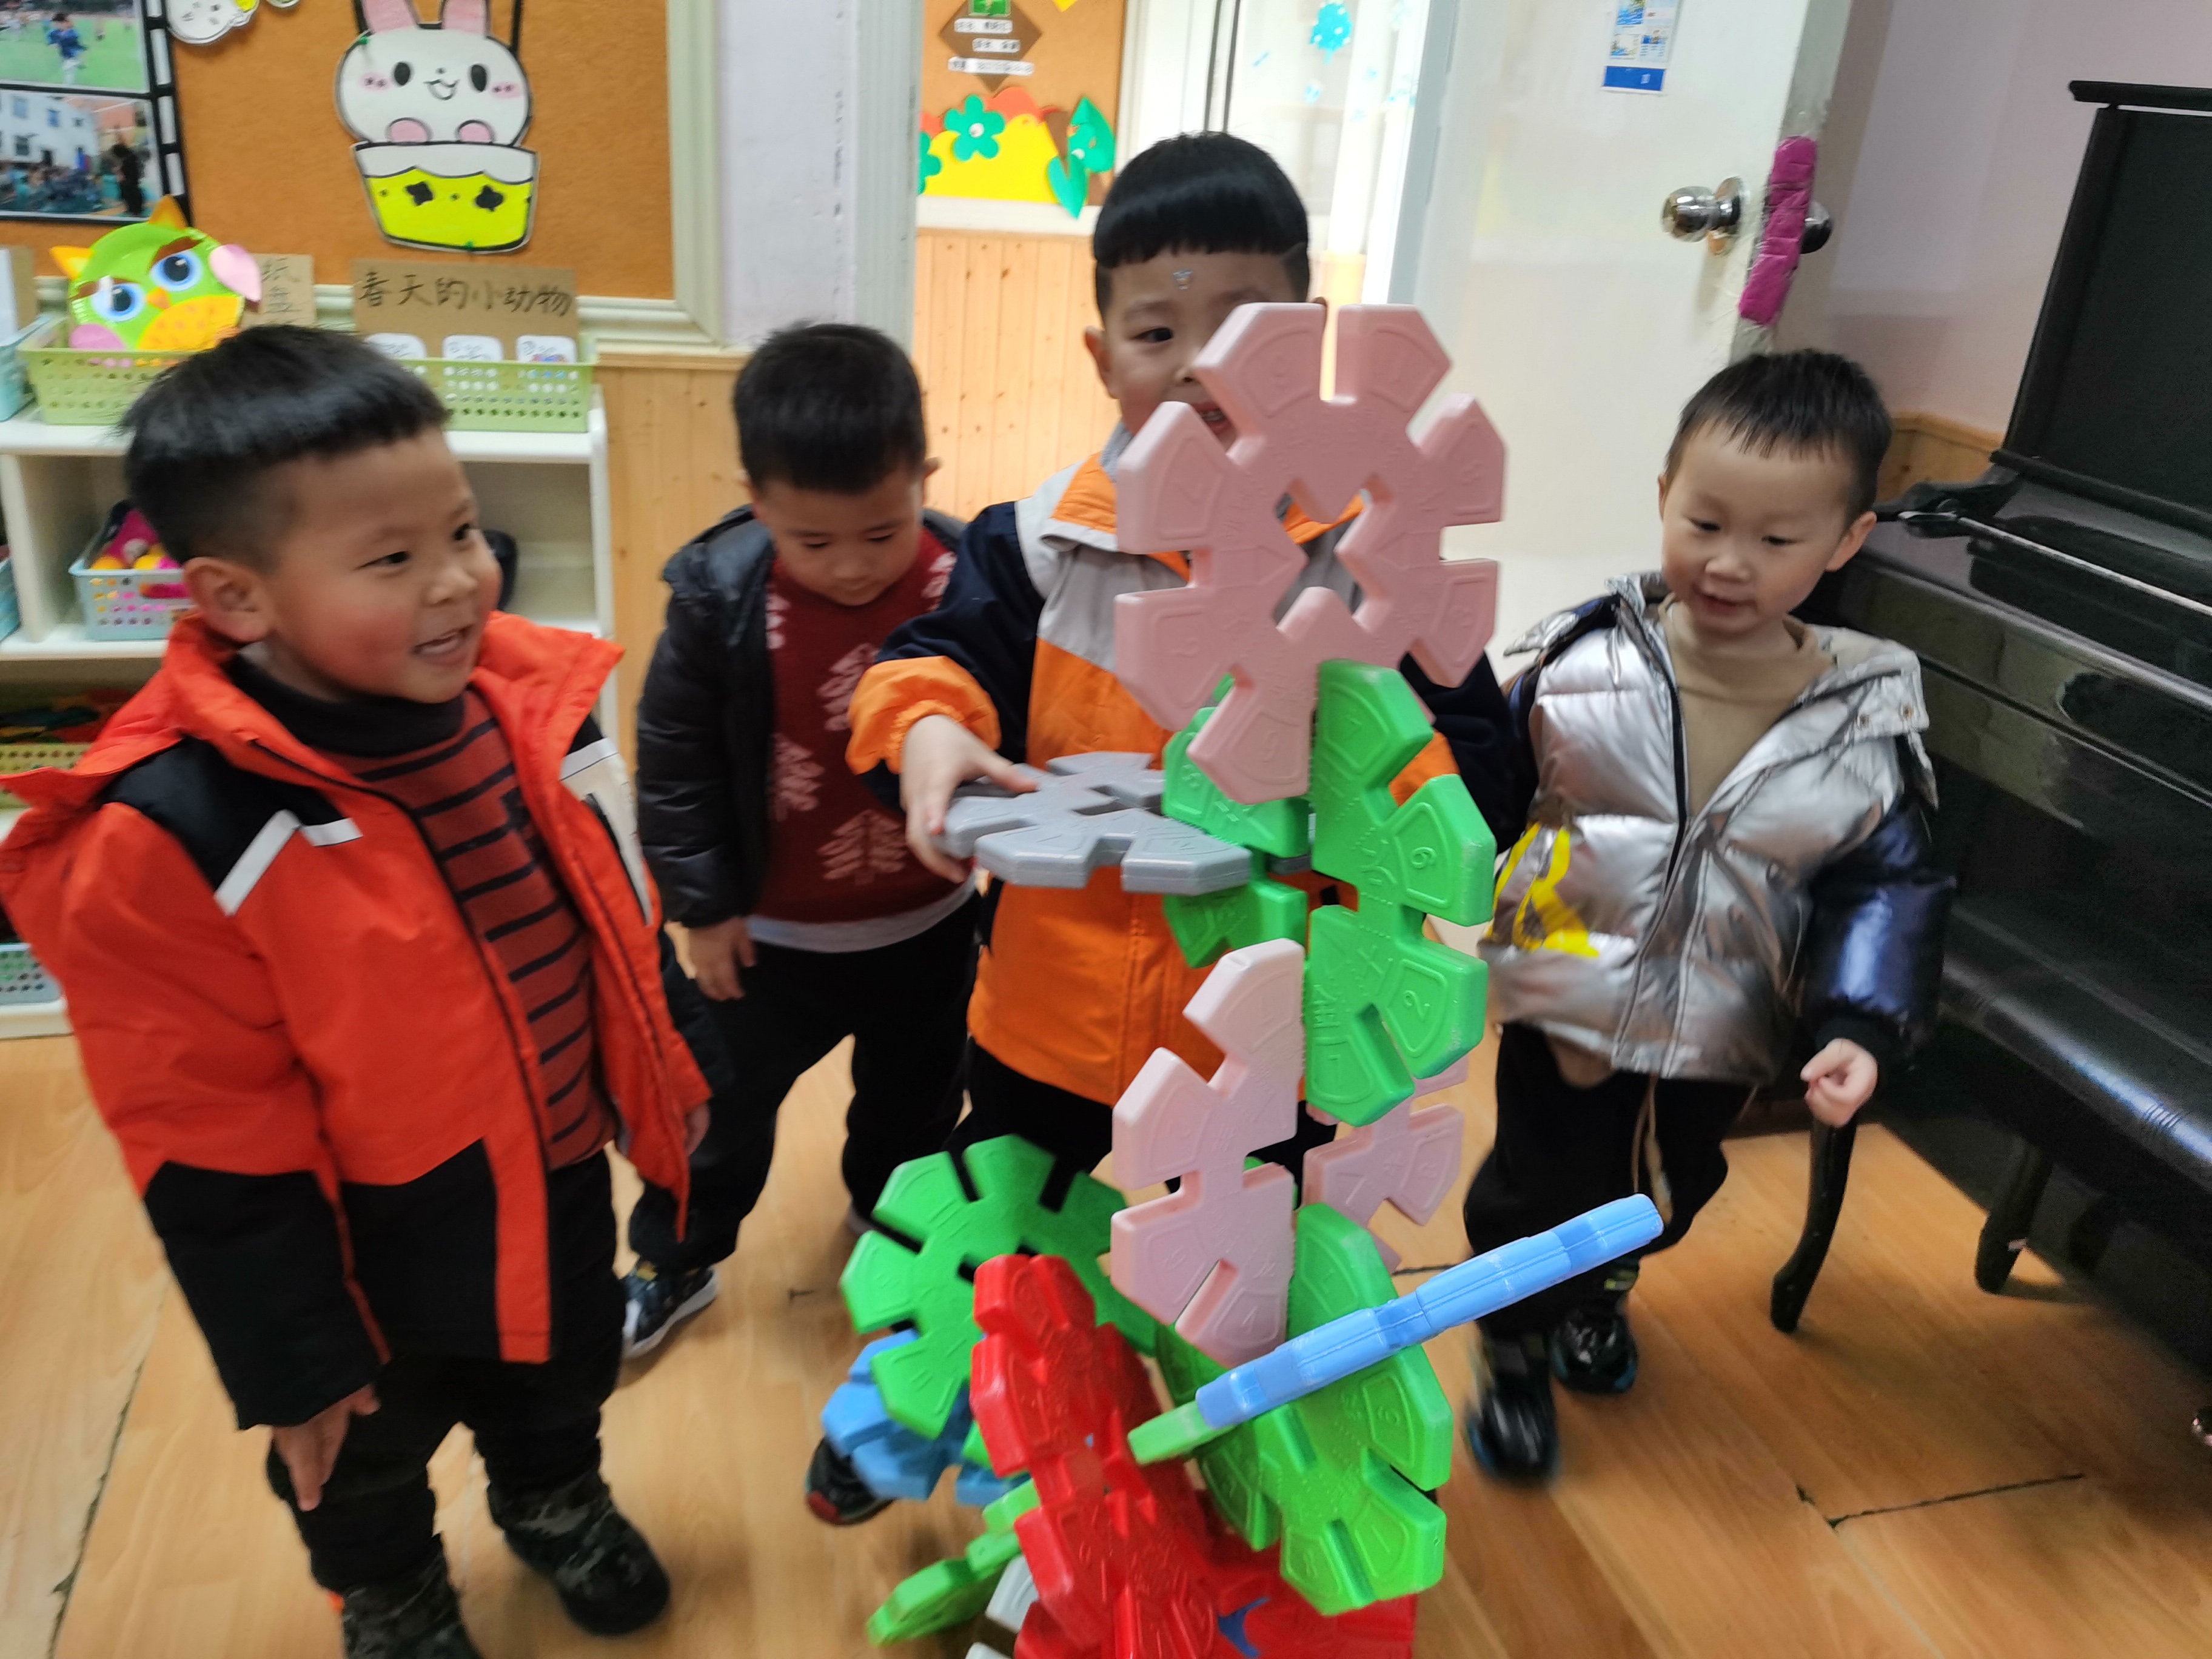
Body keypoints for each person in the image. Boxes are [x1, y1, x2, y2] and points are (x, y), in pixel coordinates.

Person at [814, 131, 1515, 1523]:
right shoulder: (1042, 545)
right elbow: (927, 659)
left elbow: (1482, 776)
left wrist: (1370, 756)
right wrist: (932, 730)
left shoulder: (1374, 566)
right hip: (1051, 1026)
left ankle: (1227, 1473)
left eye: (1242, 331)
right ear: (1102, 356)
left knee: (1245, 1274)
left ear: (1310, 346)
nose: (1197, 367)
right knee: (1001, 1239)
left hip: (1269, 1044)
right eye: (1156, 332)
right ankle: (904, 1412)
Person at [0, 327, 711, 1659]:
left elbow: (612, 917)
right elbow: (203, 1130)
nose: (458, 580)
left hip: (556, 1166)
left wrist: (673, 1072)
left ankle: (552, 1498)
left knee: (558, 1373)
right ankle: (394, 1591)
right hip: (360, 1238)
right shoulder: (173, 833)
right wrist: (291, 1354)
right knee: (358, 1450)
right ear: (236, 596)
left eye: (463, 530)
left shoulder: (530, 709)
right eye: (391, 559)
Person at [1461, 350, 1954, 1481]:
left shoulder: (1859, 723)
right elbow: (1478, 796)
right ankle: (1514, 1344)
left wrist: (1858, 1023)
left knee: (1664, 1193)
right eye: (1705, 522)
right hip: (1564, 993)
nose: (1730, 562)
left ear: (1845, 541)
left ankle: (1602, 1291)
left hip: (1724, 1020)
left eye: (1776, 540)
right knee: (1537, 1183)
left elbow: (1884, 887)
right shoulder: (1578, 665)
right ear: (1662, 497)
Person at [625, 323, 976, 1364]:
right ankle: (676, 1258)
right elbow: (676, 763)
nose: (853, 566)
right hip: (766, 942)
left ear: (923, 478)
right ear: (757, 501)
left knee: (916, 1103)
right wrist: (703, 909)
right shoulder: (720, 598)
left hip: (928, 924)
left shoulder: (967, 578)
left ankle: (889, 1229)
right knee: (720, 1111)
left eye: (881, 531)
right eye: (812, 542)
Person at [107, 136, 141, 217]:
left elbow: (128, 171)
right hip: (132, 182)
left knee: (130, 195)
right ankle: (134, 210)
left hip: (130, 183)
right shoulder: (131, 157)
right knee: (131, 195)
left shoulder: (128, 160)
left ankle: (134, 210)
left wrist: (120, 172)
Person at [47, 10, 82, 84]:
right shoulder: (55, 32)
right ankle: (76, 64)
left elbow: (72, 41)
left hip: (73, 55)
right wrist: (52, 43)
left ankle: (68, 87)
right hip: (63, 56)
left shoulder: (73, 33)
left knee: (69, 70)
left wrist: (58, 42)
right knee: (65, 67)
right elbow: (50, 38)